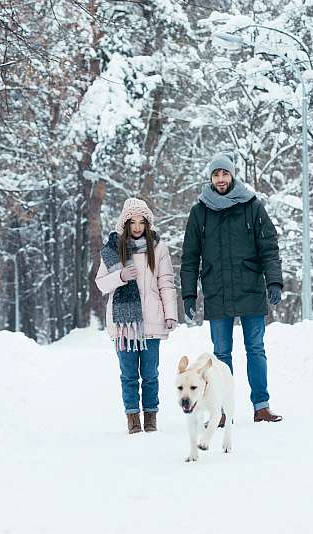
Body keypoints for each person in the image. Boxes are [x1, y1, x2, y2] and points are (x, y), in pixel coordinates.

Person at [180, 153, 284, 423]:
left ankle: (261, 406)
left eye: (225, 174)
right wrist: (189, 293)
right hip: (218, 292)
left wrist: (274, 281)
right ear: (210, 178)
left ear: (232, 175)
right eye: (216, 174)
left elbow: (269, 247)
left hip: (250, 288)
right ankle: (221, 411)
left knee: (255, 349)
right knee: (220, 356)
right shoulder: (200, 211)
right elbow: (190, 257)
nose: (221, 179)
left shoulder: (251, 205)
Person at [96, 198, 178, 434]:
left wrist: (170, 314)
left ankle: (151, 418)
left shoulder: (158, 247)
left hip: (152, 320)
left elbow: (166, 282)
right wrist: (120, 276)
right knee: (129, 375)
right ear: (126, 222)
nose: (138, 227)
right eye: (133, 222)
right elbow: (101, 283)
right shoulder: (113, 249)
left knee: (151, 374)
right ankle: (133, 420)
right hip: (124, 325)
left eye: (142, 222)